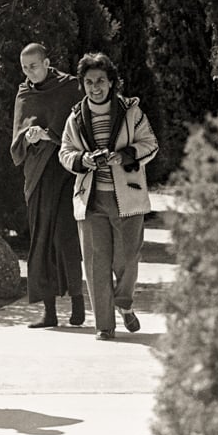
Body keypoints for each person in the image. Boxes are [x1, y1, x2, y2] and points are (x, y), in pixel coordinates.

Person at [58, 53, 159, 341]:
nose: (95, 87)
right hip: (90, 200)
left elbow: (150, 144)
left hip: (128, 199)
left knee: (127, 258)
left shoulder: (131, 111)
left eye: (100, 81)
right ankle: (105, 325)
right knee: (95, 264)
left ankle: (124, 304)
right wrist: (82, 160)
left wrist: (124, 156)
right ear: (83, 85)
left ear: (111, 82)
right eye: (89, 82)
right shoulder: (75, 117)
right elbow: (64, 152)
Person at [10, 43, 85, 328]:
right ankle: (49, 311)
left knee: (65, 237)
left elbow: (78, 125)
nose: (29, 72)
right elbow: (17, 135)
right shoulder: (24, 92)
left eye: (34, 66)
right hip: (37, 174)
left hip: (63, 170)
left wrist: (50, 135)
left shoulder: (69, 87)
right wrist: (27, 139)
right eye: (24, 67)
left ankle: (77, 302)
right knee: (40, 240)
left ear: (47, 62)